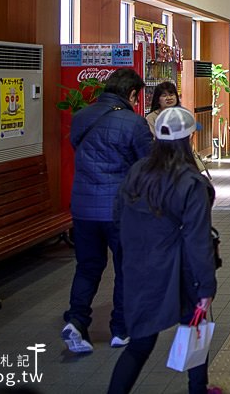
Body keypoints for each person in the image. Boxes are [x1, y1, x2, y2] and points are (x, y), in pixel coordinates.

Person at [107, 108, 218, 394]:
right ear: (189, 139)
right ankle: (198, 389)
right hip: (179, 271)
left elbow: (118, 217)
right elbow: (198, 239)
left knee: (140, 344)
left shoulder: (138, 171)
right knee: (194, 327)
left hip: (140, 268)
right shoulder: (191, 182)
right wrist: (206, 286)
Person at [62, 68, 152, 354]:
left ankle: (77, 321)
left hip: (83, 208)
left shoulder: (81, 117)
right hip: (119, 209)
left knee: (88, 267)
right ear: (133, 94)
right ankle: (121, 329)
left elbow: (79, 149)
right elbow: (147, 163)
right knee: (126, 267)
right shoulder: (134, 123)